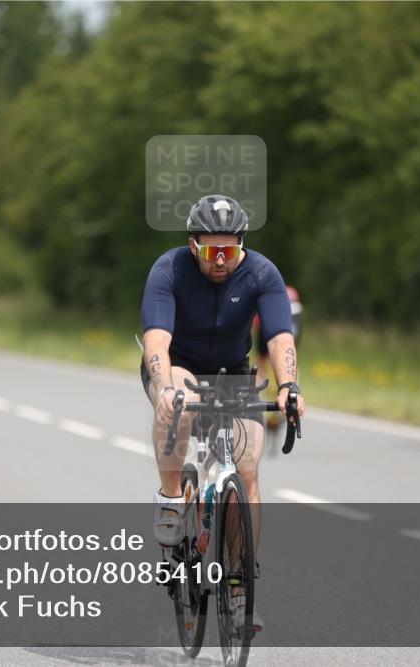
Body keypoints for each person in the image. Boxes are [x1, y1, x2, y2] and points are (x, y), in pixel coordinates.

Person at [140, 194, 306, 632]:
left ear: (241, 247)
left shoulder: (262, 273)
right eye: (211, 250)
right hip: (178, 365)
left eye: (229, 252)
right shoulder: (169, 269)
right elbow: (156, 340)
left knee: (247, 471)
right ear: (192, 245)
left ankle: (238, 583)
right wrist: (164, 389)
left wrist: (288, 386)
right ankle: (171, 500)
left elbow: (280, 338)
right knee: (179, 404)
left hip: (232, 371)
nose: (220, 260)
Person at [253, 285, 302, 429]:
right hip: (294, 320)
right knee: (289, 357)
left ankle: (258, 398)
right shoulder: (289, 293)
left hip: (267, 321)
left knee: (261, 360)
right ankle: (292, 394)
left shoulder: (267, 288)